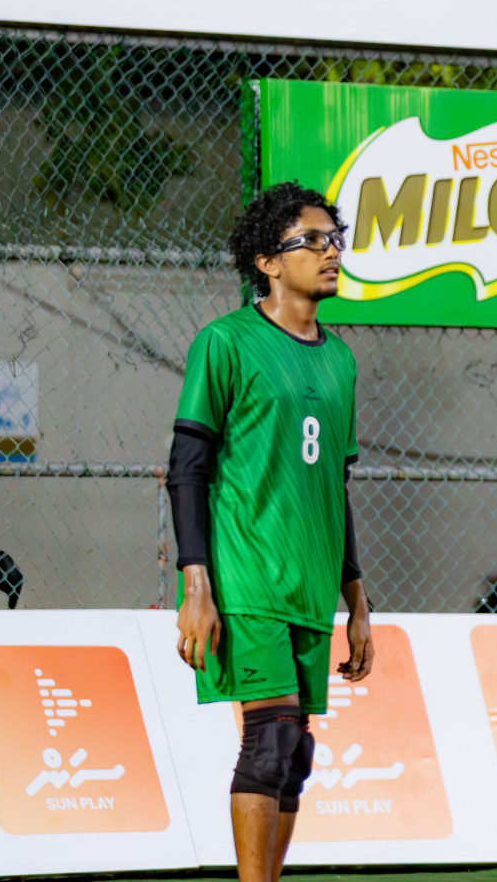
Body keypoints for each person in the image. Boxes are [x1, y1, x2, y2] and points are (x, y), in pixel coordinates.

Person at [168, 182, 374, 882]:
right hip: (245, 572)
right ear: (267, 261)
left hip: (312, 582)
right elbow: (186, 468)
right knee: (271, 738)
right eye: (310, 241)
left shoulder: (341, 359)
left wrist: (358, 599)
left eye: (334, 238)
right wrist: (196, 583)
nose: (330, 252)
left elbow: (335, 487)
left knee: (297, 754)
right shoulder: (224, 342)